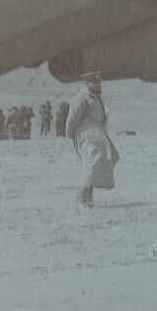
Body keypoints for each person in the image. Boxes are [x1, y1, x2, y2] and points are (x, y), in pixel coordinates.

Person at [66, 71, 120, 209]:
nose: (98, 85)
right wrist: (70, 134)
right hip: (86, 135)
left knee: (111, 157)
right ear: (87, 83)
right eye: (95, 83)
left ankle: (89, 197)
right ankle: (81, 199)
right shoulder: (81, 98)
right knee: (92, 162)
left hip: (98, 134)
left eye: (99, 82)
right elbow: (73, 118)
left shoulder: (96, 98)